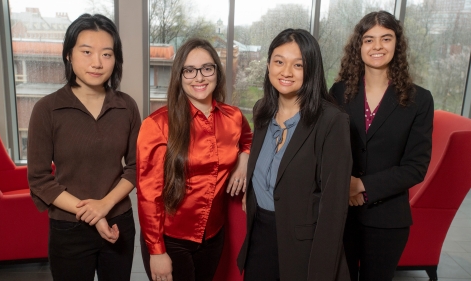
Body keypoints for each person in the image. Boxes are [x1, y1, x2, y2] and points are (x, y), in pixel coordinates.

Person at [27, 14, 140, 281]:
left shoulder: (127, 106)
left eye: (107, 54)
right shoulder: (47, 109)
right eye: (87, 52)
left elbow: (137, 167)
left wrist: (105, 206)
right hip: (68, 228)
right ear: (68, 54)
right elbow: (40, 180)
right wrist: (93, 213)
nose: (97, 63)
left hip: (118, 222)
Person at [237, 28, 352, 281]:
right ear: (268, 65)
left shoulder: (331, 121)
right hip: (259, 238)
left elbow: (333, 209)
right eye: (279, 62)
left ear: (311, 70)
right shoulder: (262, 111)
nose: (286, 72)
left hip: (304, 248)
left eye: (298, 65)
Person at [330, 11, 434, 281]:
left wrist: (361, 186)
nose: (377, 46)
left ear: (396, 44)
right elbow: (326, 150)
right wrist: (345, 185)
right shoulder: (338, 93)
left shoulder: (419, 100)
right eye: (369, 39)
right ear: (359, 47)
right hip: (341, 215)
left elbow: (416, 167)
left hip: (388, 220)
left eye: (385, 38)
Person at [137, 38, 252, 281]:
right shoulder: (157, 125)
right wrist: (156, 251)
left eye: (206, 68)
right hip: (171, 239)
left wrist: (244, 159)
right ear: (179, 75)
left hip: (214, 236)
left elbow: (250, 141)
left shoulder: (234, 117)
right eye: (189, 70)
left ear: (217, 73)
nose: (199, 77)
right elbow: (149, 195)